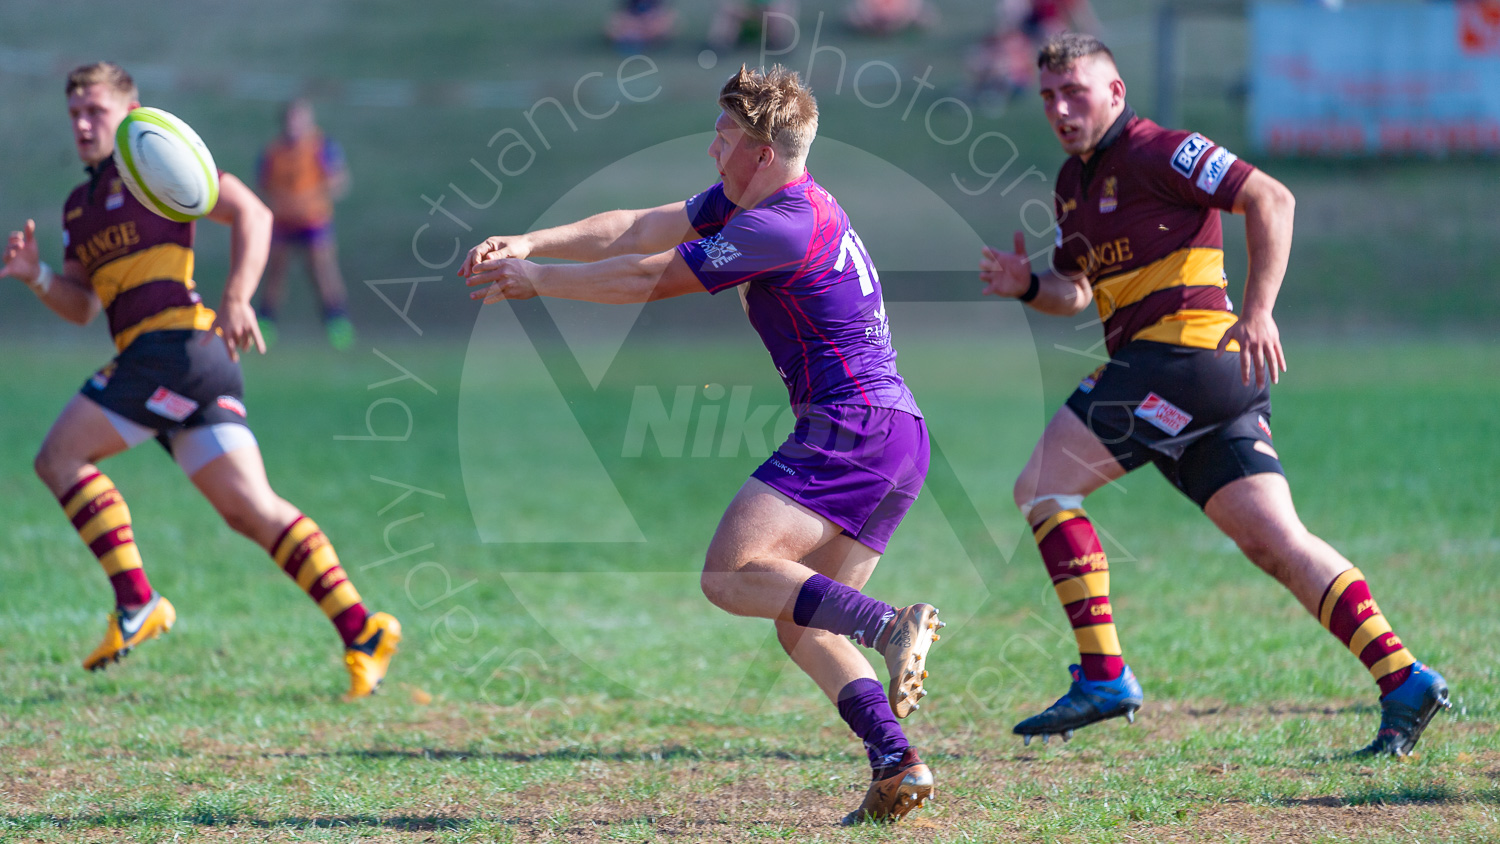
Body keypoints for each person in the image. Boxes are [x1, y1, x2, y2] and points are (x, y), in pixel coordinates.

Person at [461, 64, 945, 823]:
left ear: (760, 153)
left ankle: (889, 625)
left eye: (723, 139)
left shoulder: (776, 225)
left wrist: (539, 280)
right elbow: (637, 226)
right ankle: (896, 761)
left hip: (853, 426)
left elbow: (644, 277)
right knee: (801, 618)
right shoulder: (765, 201)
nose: (712, 151)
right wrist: (532, 238)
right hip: (897, 433)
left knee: (729, 575)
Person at [977, 34, 1448, 756]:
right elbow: (1076, 292)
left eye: (1076, 92)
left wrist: (1258, 310)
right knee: (1276, 542)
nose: (1061, 109)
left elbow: (1271, 196)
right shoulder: (1072, 186)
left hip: (1183, 359)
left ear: (1116, 92)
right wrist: (1028, 285)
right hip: (1194, 386)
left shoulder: (1161, 149)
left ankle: (1104, 675)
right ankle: (1405, 678)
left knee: (1043, 486)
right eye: (1048, 96)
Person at [0, 63, 400, 701]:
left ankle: (137, 602)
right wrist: (36, 275)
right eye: (73, 111)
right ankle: (364, 630)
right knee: (252, 510)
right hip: (176, 363)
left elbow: (254, 213)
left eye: (95, 111)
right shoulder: (78, 206)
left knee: (59, 457)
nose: (80, 123)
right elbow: (81, 306)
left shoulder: (161, 168)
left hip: (175, 349)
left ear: (130, 113)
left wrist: (239, 296)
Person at [256, 98, 355, 350]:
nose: (294, 124)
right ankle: (266, 323)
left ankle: (337, 323)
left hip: (313, 219)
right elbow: (262, 183)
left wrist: (314, 195)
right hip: (282, 220)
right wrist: (279, 200)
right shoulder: (273, 151)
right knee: (275, 274)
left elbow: (339, 180)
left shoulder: (321, 146)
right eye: (290, 118)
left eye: (299, 118)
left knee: (322, 272)